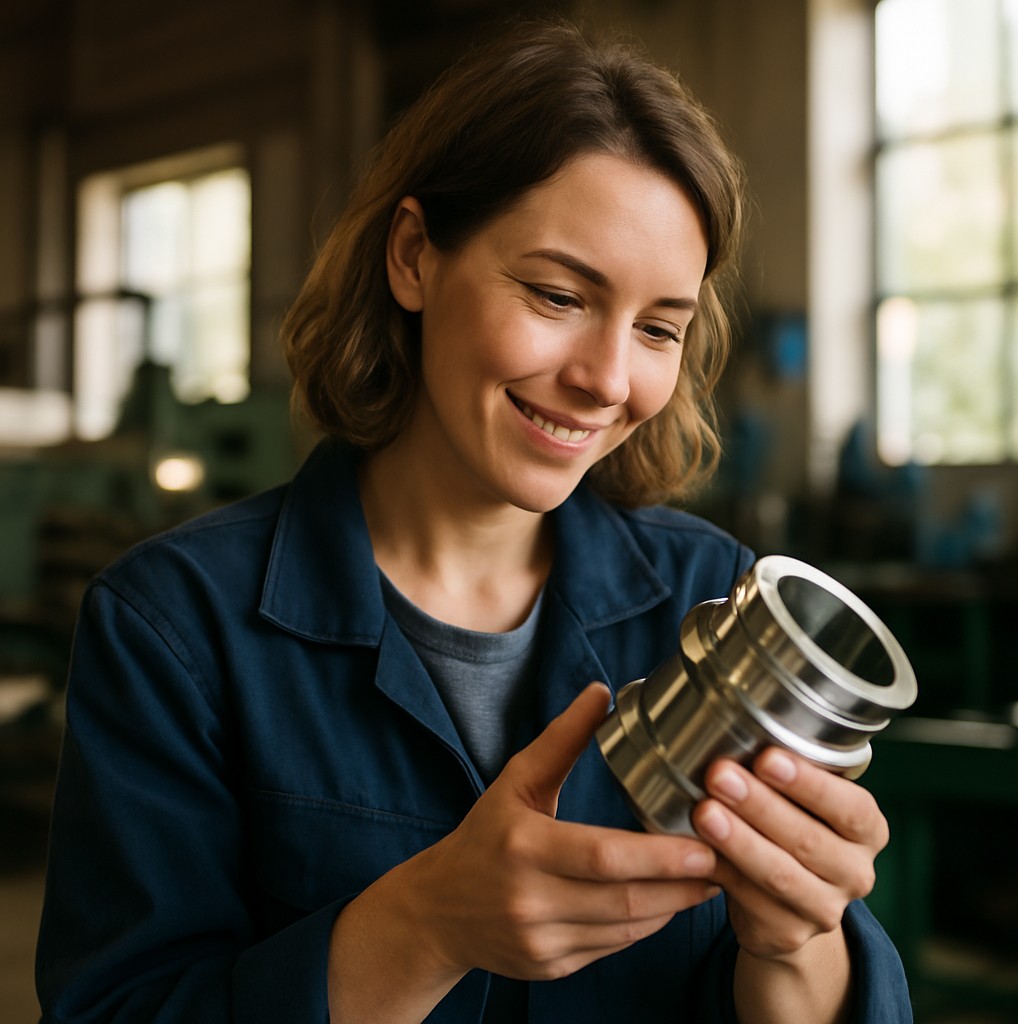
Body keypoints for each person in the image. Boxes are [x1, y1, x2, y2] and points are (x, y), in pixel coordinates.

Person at [36, 18, 912, 1023]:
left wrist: (799, 941)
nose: (607, 379)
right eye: (557, 295)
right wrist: (424, 927)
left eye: (657, 328)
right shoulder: (176, 629)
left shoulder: (708, 600)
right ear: (413, 256)